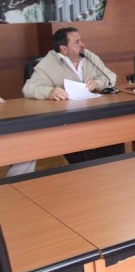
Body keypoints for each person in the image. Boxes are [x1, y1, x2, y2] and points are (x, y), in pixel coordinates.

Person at [17, 27, 122, 175]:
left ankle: (111, 172)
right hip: (69, 119)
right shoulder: (48, 63)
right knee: (83, 151)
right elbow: (28, 88)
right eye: (77, 42)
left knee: (115, 135)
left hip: (94, 113)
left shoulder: (88, 56)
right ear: (64, 49)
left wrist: (97, 83)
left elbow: (111, 77)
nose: (83, 44)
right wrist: (50, 92)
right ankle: (89, 174)